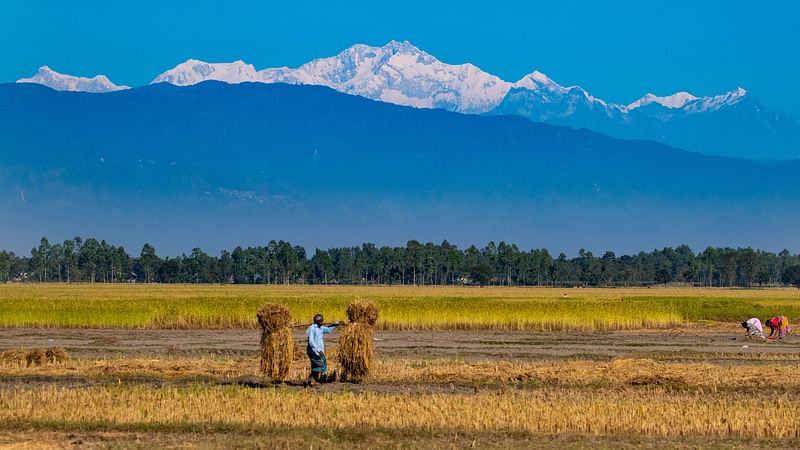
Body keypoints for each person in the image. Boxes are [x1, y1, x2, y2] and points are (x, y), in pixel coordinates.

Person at [306, 313, 340, 386]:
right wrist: (318, 350)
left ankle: (312, 381)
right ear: (316, 320)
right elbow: (311, 341)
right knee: (321, 365)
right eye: (320, 320)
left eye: (322, 319)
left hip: (318, 351)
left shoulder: (320, 327)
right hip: (313, 351)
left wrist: (336, 324)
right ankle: (311, 379)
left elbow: (328, 330)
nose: (322, 321)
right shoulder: (312, 328)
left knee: (316, 366)